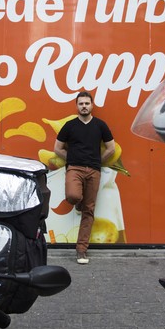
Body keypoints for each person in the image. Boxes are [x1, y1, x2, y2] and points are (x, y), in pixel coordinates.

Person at [53, 91, 116, 264]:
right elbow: (57, 148)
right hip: (74, 168)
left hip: (94, 170)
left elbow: (111, 148)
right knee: (73, 196)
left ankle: (81, 250)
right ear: (76, 106)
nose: (84, 106)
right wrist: (72, 159)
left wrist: (98, 161)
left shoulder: (100, 125)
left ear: (92, 105)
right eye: (81, 104)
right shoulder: (70, 125)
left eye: (87, 103)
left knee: (88, 210)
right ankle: (78, 203)